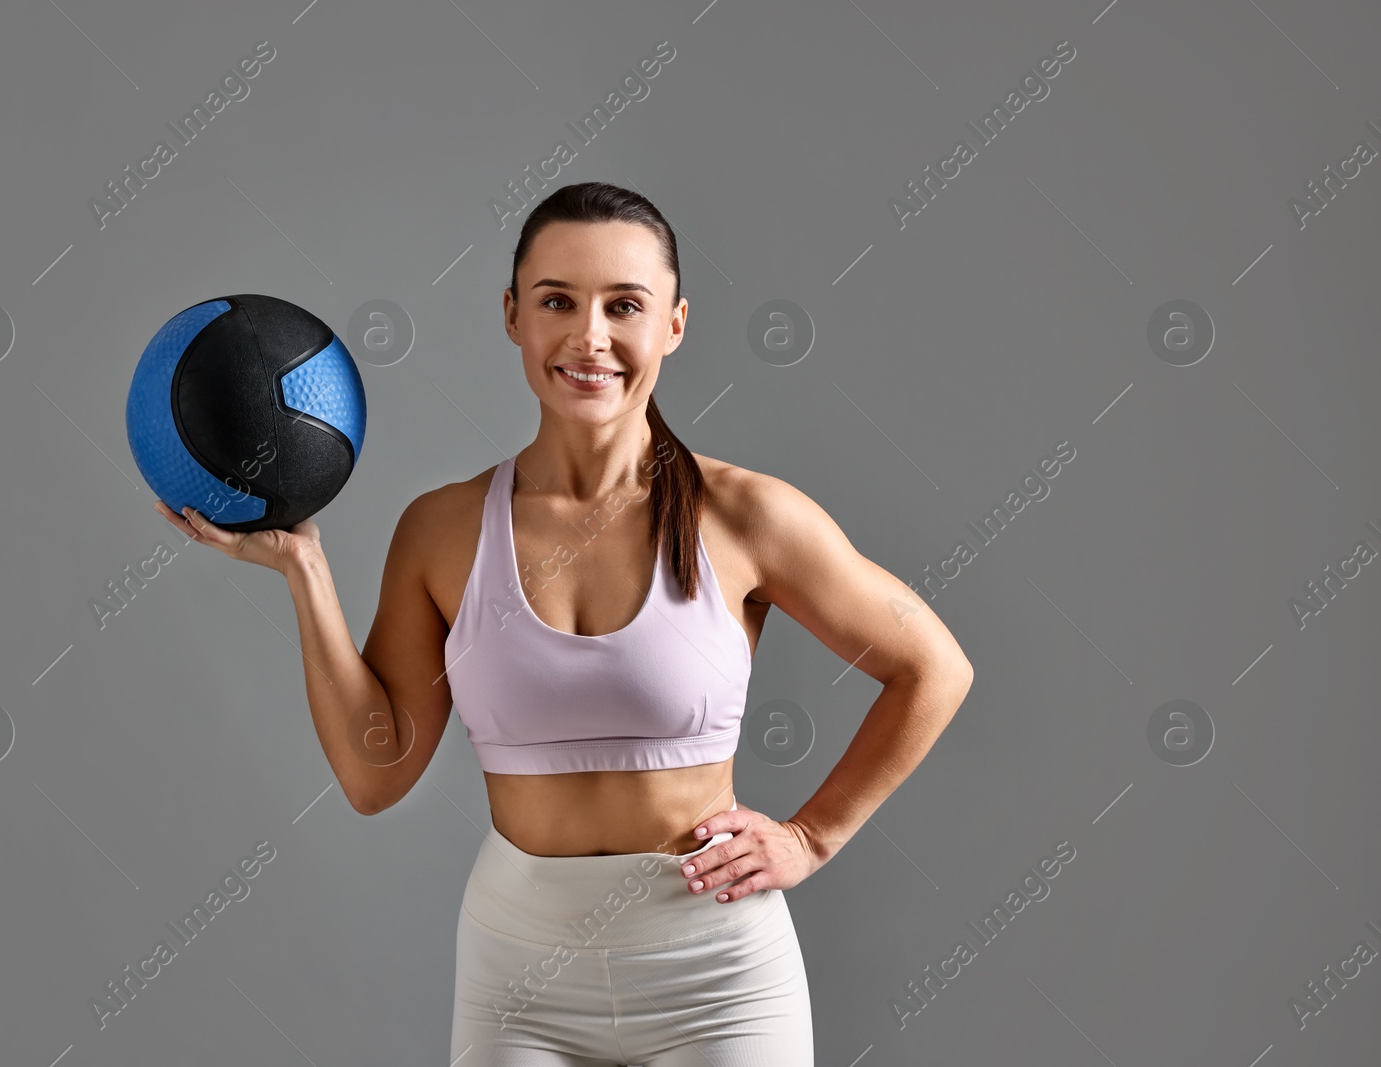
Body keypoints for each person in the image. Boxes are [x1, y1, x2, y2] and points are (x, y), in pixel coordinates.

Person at [155, 181, 973, 1065]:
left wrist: (812, 837)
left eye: (625, 305)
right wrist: (305, 573)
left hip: (717, 975)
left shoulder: (746, 517)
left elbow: (934, 665)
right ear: (513, 316)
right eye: (557, 301)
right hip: (522, 976)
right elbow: (375, 774)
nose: (590, 338)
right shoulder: (443, 528)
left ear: (675, 323)